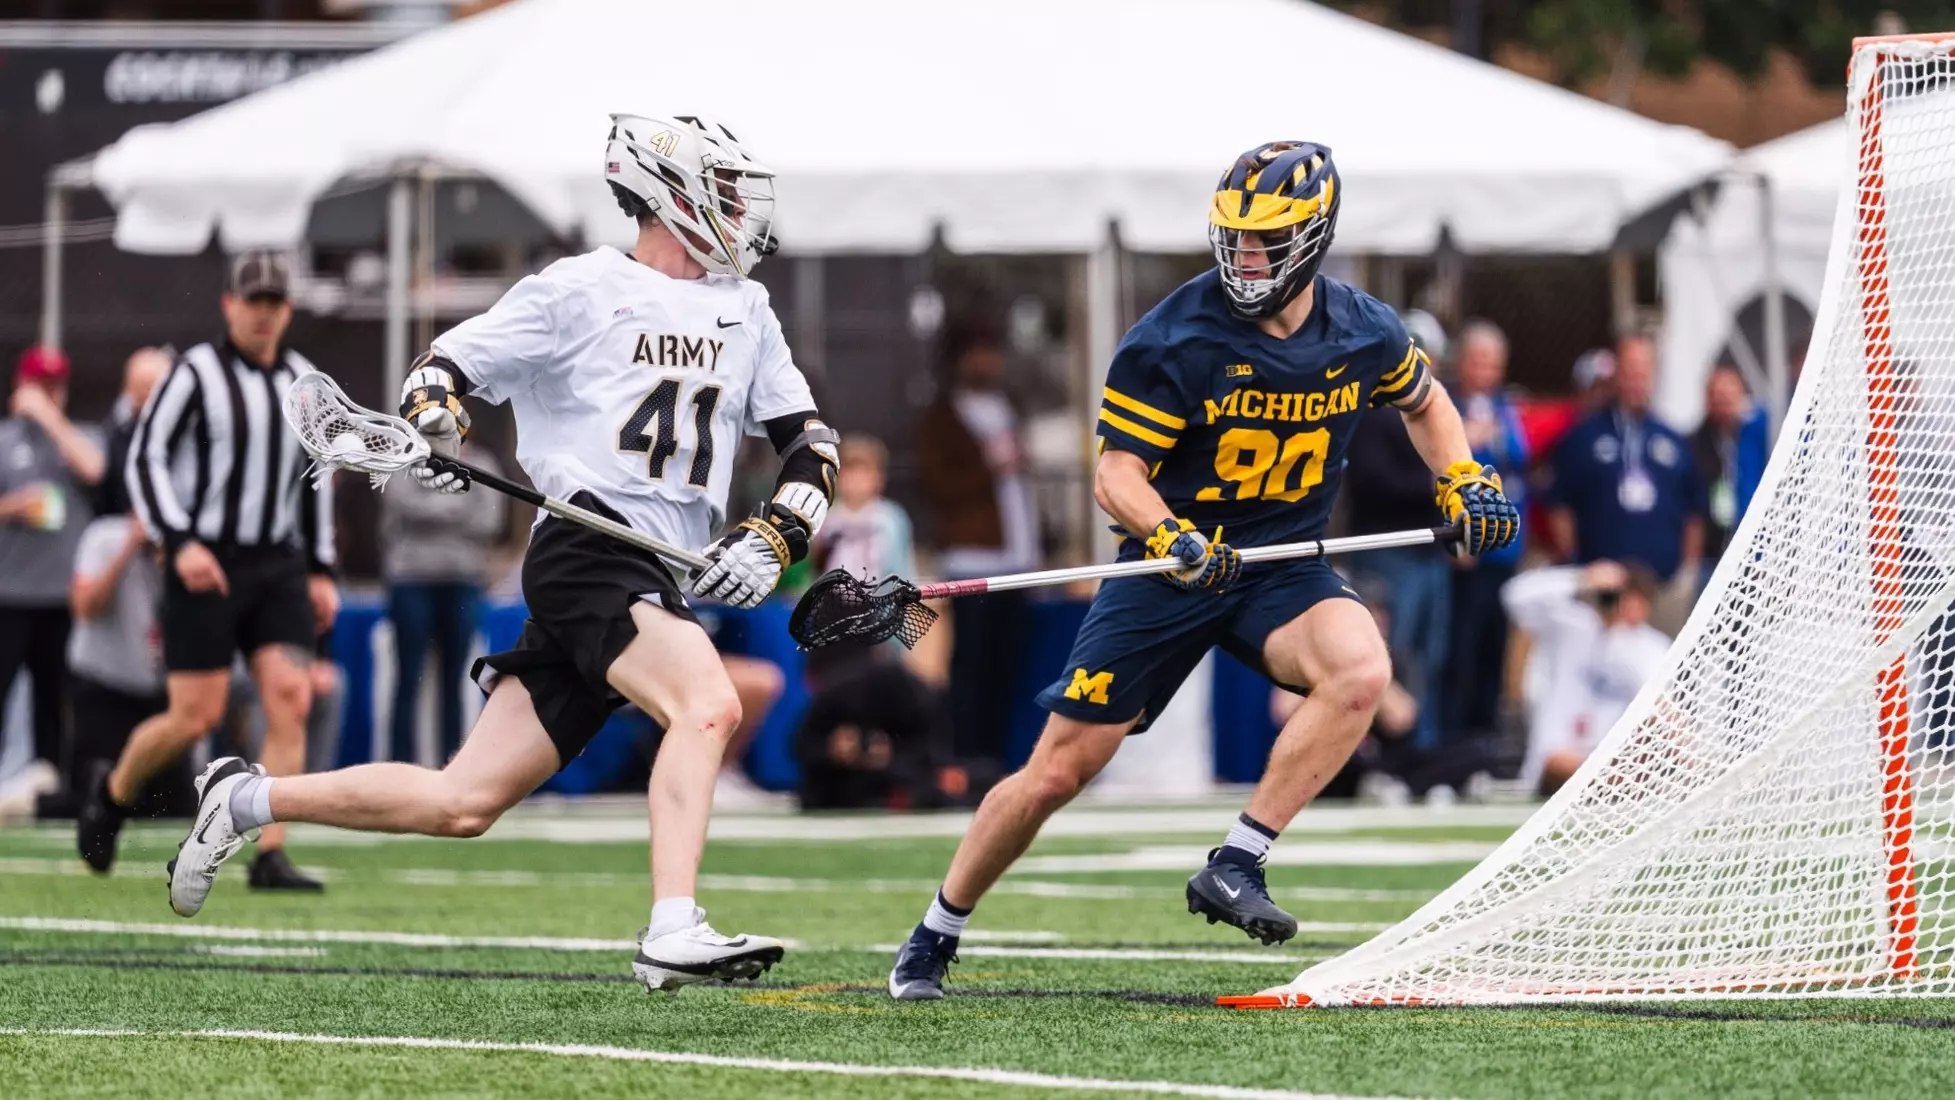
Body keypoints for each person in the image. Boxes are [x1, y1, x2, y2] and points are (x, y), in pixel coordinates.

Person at [166, 114, 834, 994]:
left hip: (654, 568)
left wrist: (772, 534)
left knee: (462, 803)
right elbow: (441, 371)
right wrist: (433, 419)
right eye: (725, 187)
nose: (742, 209)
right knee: (707, 704)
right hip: (587, 551)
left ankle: (245, 798)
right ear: (670, 192)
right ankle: (672, 927)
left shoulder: (747, 309)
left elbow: (810, 445)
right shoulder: (579, 289)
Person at [887, 141, 1519, 1000]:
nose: (1245, 257)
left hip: (1282, 565)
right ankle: (936, 930)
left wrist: (1463, 476)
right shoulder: (1174, 336)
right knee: (1057, 772)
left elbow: (1426, 401)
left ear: (1313, 235)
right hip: (1171, 565)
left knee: (1361, 668)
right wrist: (1174, 537)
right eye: (1236, 238)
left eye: (1265, 241)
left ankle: (1236, 861)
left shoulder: (1363, 326)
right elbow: (1116, 476)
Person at [78, 250, 338, 894]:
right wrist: (180, 539)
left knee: (291, 698)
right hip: (205, 561)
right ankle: (111, 794)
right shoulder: (195, 372)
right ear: (228, 305)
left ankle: (270, 853)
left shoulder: (305, 380)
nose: (263, 314)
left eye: (275, 303)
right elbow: (145, 456)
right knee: (194, 716)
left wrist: (320, 565)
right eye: (253, 302)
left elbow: (318, 474)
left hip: (276, 560)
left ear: (289, 310)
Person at [916, 326, 1039, 769]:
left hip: (1017, 557)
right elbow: (938, 484)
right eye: (979, 354)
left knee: (1008, 664)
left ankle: (999, 757)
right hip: (971, 558)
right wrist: (990, 467)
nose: (989, 364)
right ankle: (966, 758)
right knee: (971, 664)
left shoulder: (1008, 407)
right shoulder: (943, 417)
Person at [0, 345, 105, 806]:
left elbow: (96, 469)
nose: (47, 393)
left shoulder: (77, 437)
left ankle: (50, 795)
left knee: (56, 702)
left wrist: (49, 419)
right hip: (9, 594)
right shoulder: (3, 440)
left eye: (55, 386)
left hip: (61, 597)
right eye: (39, 385)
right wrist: (11, 507)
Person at [1545, 333, 1704, 634]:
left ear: (1654, 376)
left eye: (1643, 372)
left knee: (1660, 671)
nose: (1636, 380)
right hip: (1603, 590)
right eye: (1630, 370)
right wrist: (1579, 564)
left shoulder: (1673, 439)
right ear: (1616, 373)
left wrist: (1685, 569)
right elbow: (1559, 505)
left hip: (1662, 588)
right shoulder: (1583, 436)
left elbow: (1693, 509)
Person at [379, 440, 506, 764]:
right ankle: (399, 769)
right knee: (407, 679)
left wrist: (430, 507)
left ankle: (453, 765)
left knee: (455, 681)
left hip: (463, 581)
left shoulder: (482, 461)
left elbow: (490, 519)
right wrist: (458, 503)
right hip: (411, 580)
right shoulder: (404, 457)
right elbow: (400, 504)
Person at [1502, 560, 1672, 795]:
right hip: (1558, 760)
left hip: (1616, 758)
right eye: (1622, 597)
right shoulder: (1570, 627)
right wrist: (1581, 578)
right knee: (1561, 764)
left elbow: (1661, 707)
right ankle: (1617, 784)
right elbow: (1515, 596)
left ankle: (1621, 782)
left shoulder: (1651, 646)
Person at [1442, 320, 1530, 746]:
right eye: (1479, 360)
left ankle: (1486, 739)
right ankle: (1456, 739)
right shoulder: (1449, 406)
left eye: (1494, 363)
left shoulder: (1504, 407)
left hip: (1505, 551)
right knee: (1463, 645)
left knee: (1497, 646)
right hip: (1470, 549)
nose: (1487, 370)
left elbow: (1519, 459)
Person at [66, 513, 187, 816]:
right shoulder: (105, 537)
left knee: (173, 807)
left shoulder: (184, 548)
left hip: (158, 692)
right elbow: (84, 607)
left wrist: (172, 562)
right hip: (103, 686)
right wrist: (129, 548)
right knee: (87, 798)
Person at [1689, 364, 1750, 586]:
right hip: (1710, 557)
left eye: (1729, 396)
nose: (1723, 402)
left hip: (1750, 556)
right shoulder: (1693, 445)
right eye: (1717, 396)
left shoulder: (1755, 439)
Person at [95, 348, 173, 518]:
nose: (142, 397)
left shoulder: (183, 432)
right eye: (135, 388)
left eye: (149, 388)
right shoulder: (119, 433)